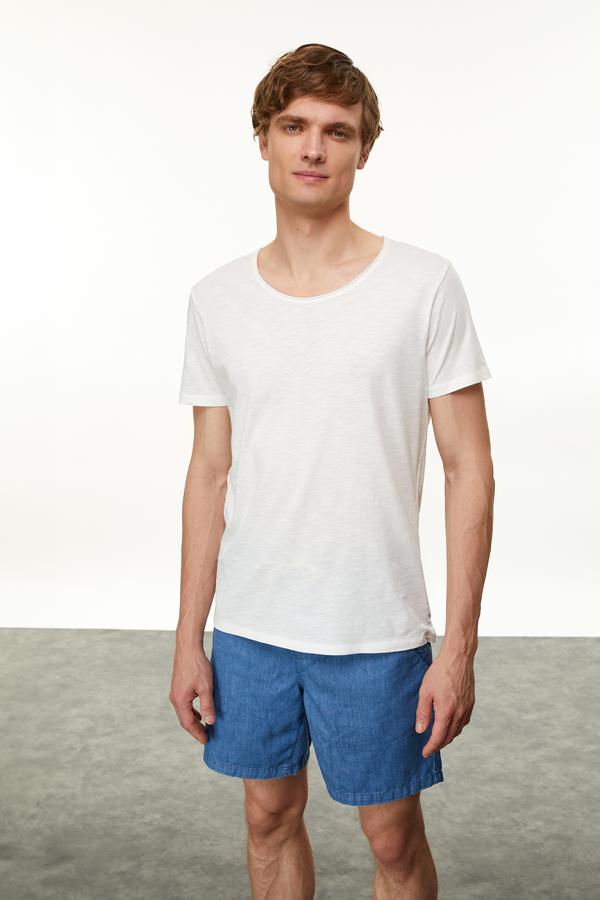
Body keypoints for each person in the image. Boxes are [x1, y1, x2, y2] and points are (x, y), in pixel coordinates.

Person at [170, 42, 494, 900]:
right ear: (264, 140)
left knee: (391, 837)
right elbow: (209, 473)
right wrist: (189, 638)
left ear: (363, 149)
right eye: (294, 126)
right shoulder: (217, 299)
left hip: (375, 628)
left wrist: (458, 649)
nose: (313, 148)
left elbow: (469, 467)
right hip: (252, 628)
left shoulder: (424, 286)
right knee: (267, 818)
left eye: (337, 131)